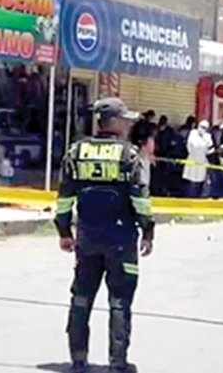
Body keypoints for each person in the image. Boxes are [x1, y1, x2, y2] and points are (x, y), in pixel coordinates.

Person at [55, 97, 155, 373]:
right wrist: (148, 230)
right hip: (121, 239)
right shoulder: (129, 155)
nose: (127, 124)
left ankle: (77, 359)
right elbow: (140, 199)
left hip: (87, 237)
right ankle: (117, 363)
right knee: (120, 301)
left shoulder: (76, 152)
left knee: (81, 298)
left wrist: (64, 230)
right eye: (124, 119)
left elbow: (64, 195)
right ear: (114, 122)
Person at [183, 120, 213, 198]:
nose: (203, 129)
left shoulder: (208, 136)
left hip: (202, 161)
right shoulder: (193, 133)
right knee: (191, 180)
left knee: (200, 181)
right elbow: (189, 146)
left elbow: (210, 148)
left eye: (205, 128)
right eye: (202, 127)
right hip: (192, 159)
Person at [153, 115, 176, 196]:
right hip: (157, 156)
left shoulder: (169, 131)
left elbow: (172, 143)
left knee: (165, 175)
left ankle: (163, 190)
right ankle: (156, 190)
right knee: (156, 175)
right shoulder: (156, 130)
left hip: (166, 156)